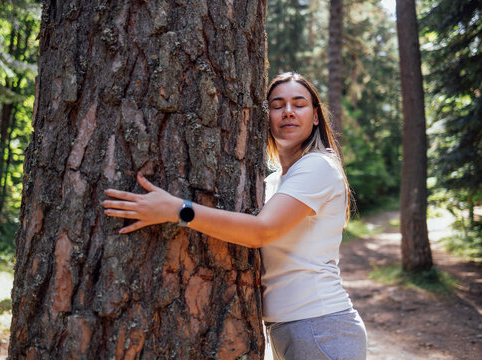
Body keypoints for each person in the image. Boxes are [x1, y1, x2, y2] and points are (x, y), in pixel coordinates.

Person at [101, 72, 367, 360]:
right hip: (294, 328)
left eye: (298, 104)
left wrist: (176, 209)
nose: (287, 111)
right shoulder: (276, 181)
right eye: (277, 105)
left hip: (320, 326)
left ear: (315, 116)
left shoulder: (318, 166)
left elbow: (259, 232)